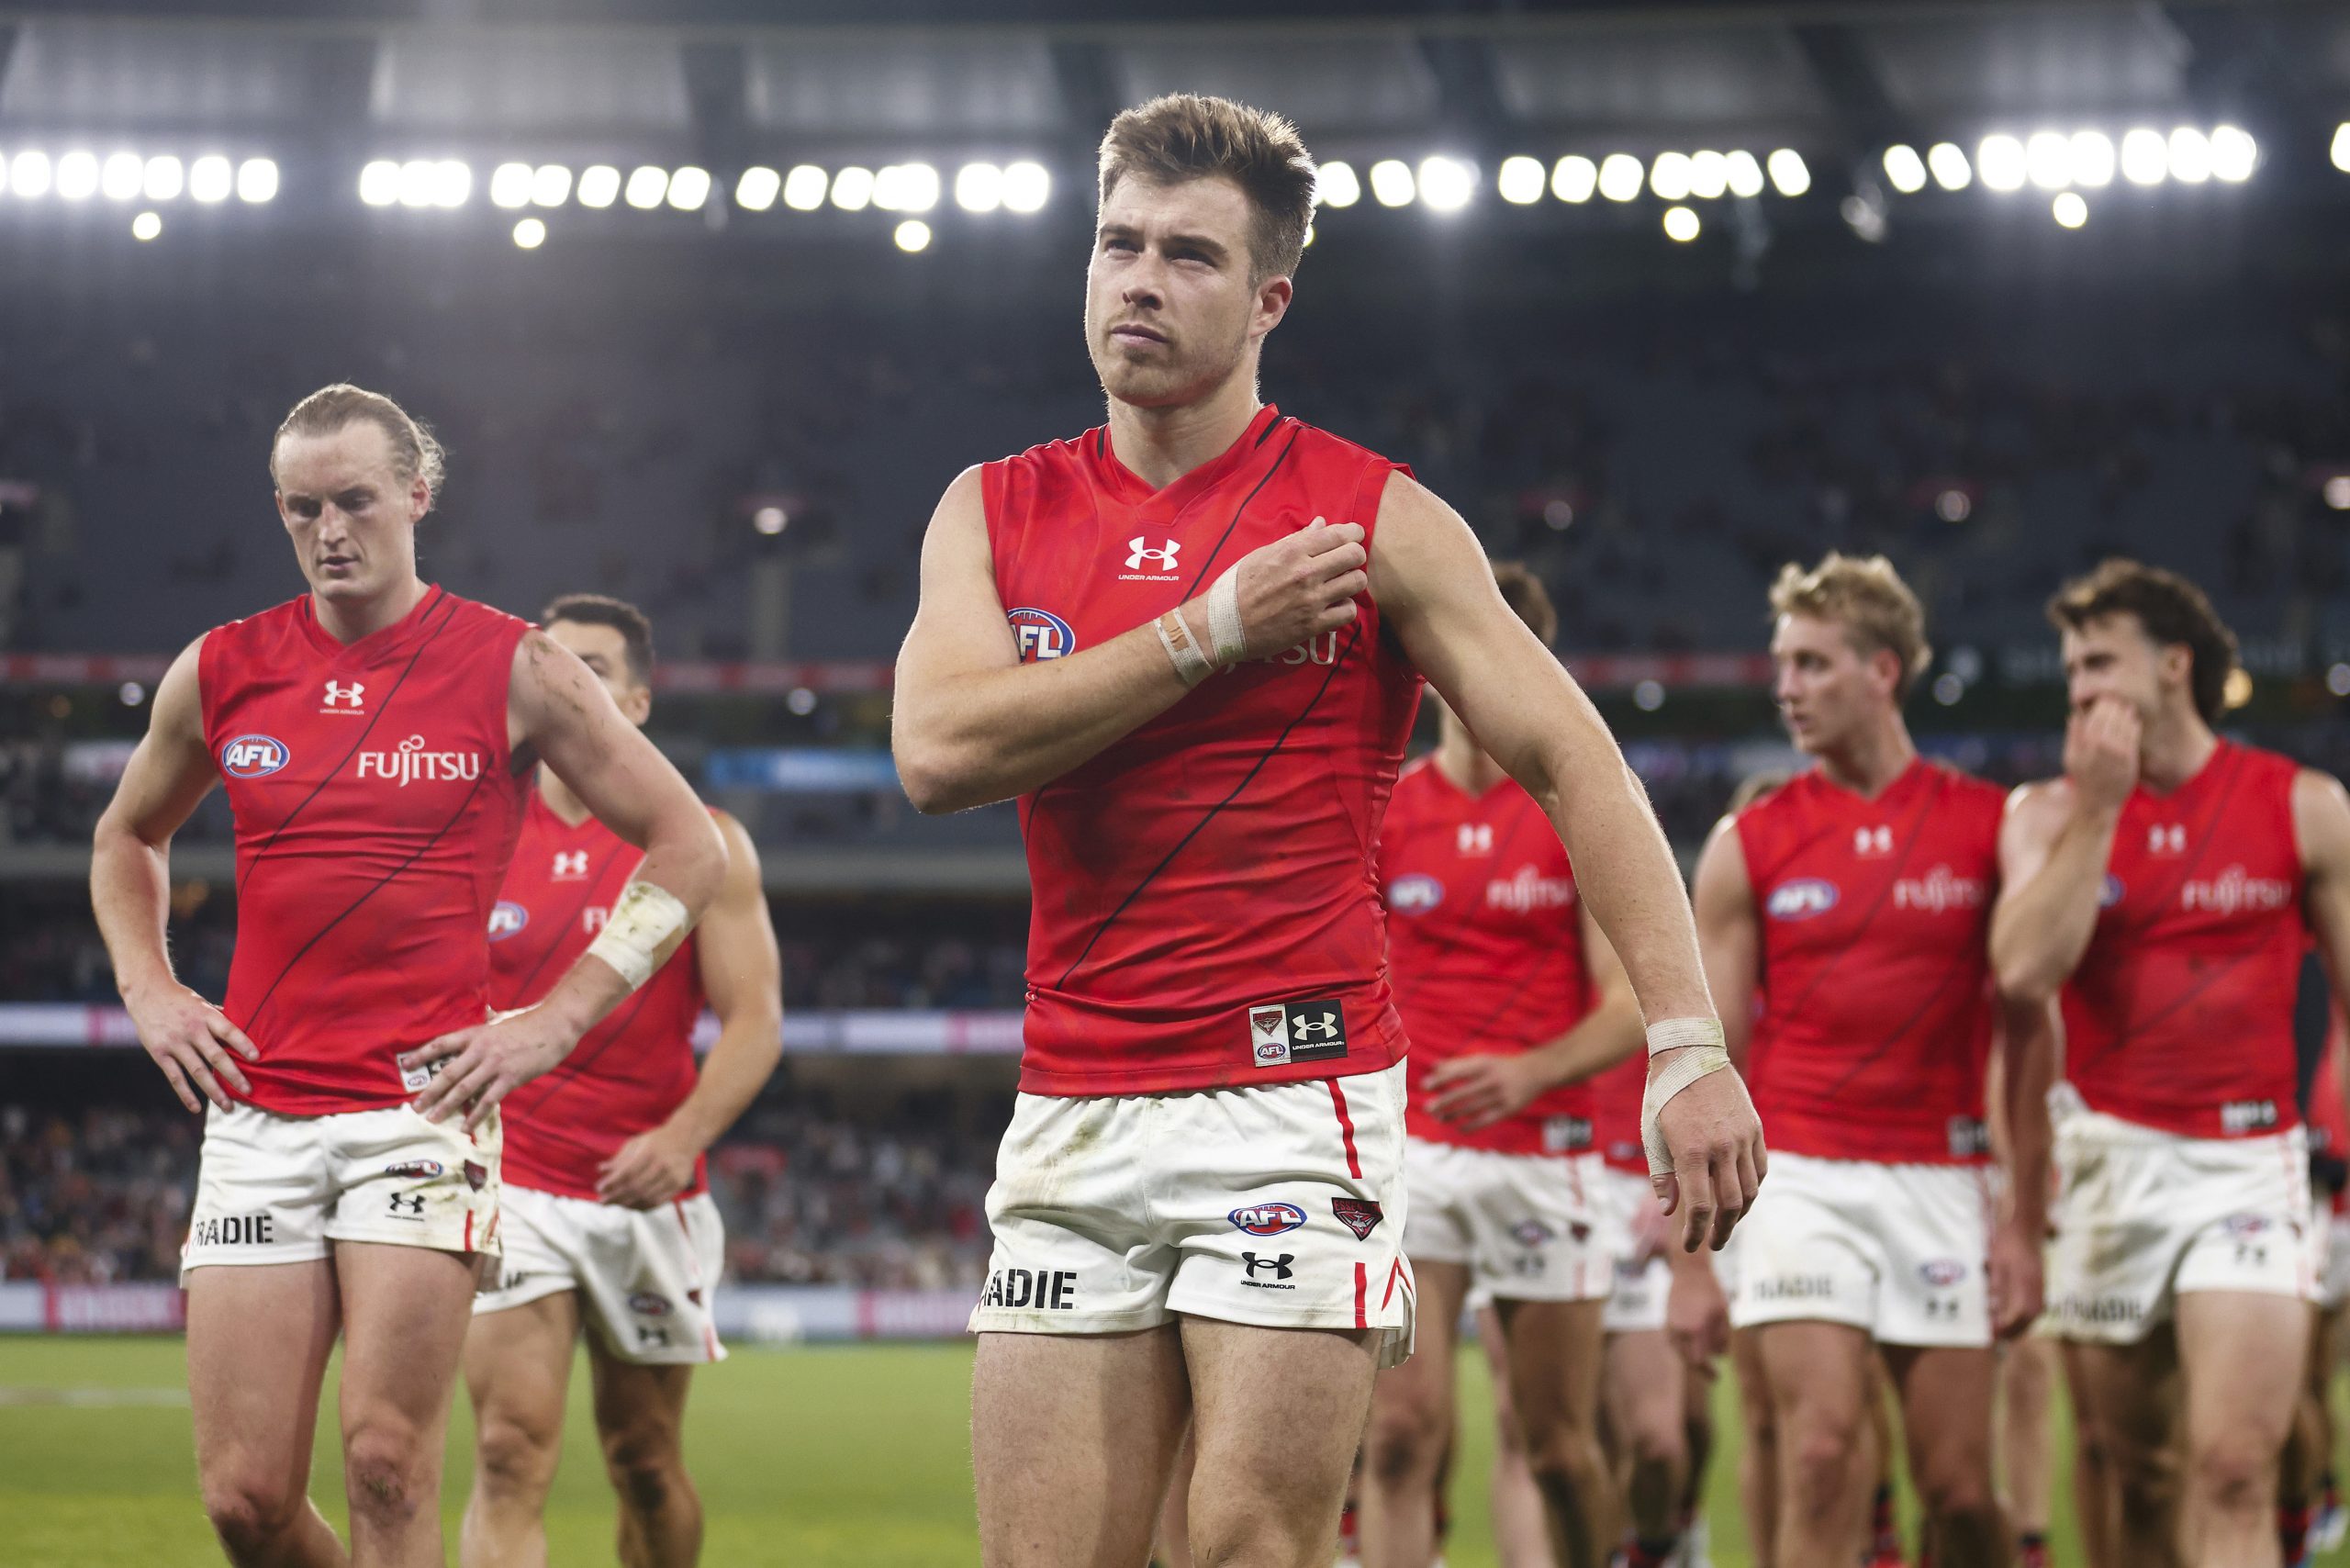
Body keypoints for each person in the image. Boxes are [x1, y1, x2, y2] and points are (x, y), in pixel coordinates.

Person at [889, 93, 1764, 1568]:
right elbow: (935, 754)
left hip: (1295, 1105)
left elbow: (1576, 759)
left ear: (1271, 297)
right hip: (1074, 1103)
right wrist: (1208, 633)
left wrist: (1685, 1042)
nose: (1141, 281)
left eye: (1190, 255)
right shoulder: (991, 509)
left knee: (1249, 1542)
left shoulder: (1375, 518)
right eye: (1117, 245)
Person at [89, 385, 727, 1568]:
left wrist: (557, 1017)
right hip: (257, 1113)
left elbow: (692, 845)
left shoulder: (514, 664)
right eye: (300, 507)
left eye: (355, 501)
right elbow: (126, 836)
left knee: (387, 1464)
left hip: (418, 1115)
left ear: (417, 496)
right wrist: (151, 988)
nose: (329, 529)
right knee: (243, 1498)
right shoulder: (222, 667)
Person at [1677, 553, 2054, 1568]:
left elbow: (2030, 1032)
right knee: (1821, 1451)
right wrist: (1692, 1261)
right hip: (1801, 1178)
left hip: (1943, 1179)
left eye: (1812, 664)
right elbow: (1707, 1060)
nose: (1787, 688)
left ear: (1882, 671)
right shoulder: (1746, 841)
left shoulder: (1991, 826)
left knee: (1962, 1495)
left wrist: (2023, 1221)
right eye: (1782, 666)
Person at [1992, 557, 2350, 1568]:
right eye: (2070, 671)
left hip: (2247, 1166)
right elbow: (2021, 972)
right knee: (2132, 1473)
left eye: (2099, 663)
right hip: (2107, 1172)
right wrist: (2101, 810)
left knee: (2234, 1466)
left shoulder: (2304, 806)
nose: (2079, 690)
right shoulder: (2048, 814)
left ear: (2173, 666)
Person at [459, 595, 782, 1568]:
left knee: (641, 1457)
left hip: (645, 1187)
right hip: (511, 1181)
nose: (567, 683)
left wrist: (683, 1137)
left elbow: (756, 1021)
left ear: (636, 704)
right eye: (551, 664)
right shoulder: (481, 830)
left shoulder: (703, 841)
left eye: (592, 668)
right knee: (508, 1451)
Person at [1357, 561, 1645, 1568]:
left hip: (1544, 1153)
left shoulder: (1573, 806)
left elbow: (1631, 1004)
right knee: (1395, 1438)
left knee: (1559, 1446)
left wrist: (1531, 1071)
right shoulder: (1383, 807)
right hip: (1414, 1154)